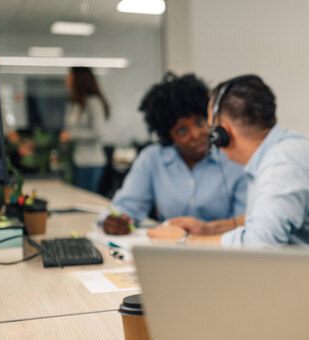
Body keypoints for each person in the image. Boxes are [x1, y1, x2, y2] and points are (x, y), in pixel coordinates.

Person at [162, 74, 309, 247]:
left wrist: (183, 242)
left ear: (222, 132)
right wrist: (207, 229)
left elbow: (259, 244)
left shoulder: (282, 164)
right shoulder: (282, 148)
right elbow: (262, 220)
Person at [101, 73, 248, 235]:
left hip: (221, 249)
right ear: (167, 135)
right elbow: (126, 205)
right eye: (182, 131)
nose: (196, 134)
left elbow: (247, 221)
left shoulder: (233, 159)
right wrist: (117, 219)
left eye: (200, 122)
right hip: (170, 248)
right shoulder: (152, 159)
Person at [60, 67, 110, 193]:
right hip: (74, 160)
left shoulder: (94, 102)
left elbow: (98, 133)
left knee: (86, 199)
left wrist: (71, 135)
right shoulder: (72, 103)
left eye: (69, 77)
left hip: (90, 162)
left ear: (78, 79)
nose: (66, 80)